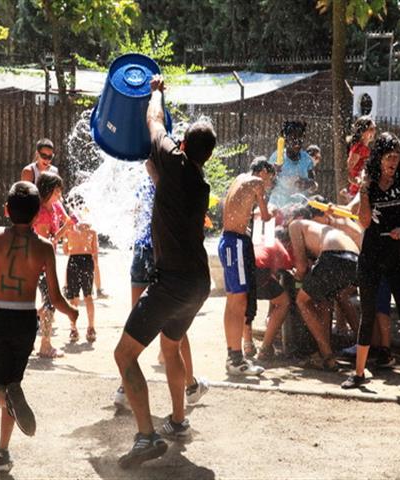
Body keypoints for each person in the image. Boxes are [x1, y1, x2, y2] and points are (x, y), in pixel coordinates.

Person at [113, 74, 216, 469]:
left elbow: (154, 120)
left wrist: (156, 91)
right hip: (197, 283)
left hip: (172, 282)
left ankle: (145, 437)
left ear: (185, 144)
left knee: (124, 355)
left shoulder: (174, 158)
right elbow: (167, 192)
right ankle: (178, 420)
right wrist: (155, 176)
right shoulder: (198, 181)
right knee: (170, 346)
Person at [0, 181, 78, 475]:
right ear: (38, 212)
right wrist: (72, 313)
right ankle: (2, 451)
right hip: (26, 322)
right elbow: (54, 297)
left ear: (6, 210)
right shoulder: (43, 248)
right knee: (13, 384)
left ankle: (9, 406)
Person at [341, 132, 400, 397]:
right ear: (379, 158)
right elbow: (365, 222)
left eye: (396, 157)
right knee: (367, 314)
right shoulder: (368, 186)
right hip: (370, 255)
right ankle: (358, 374)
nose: (393, 161)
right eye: (388, 156)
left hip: (394, 257)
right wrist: (364, 193)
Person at [113, 171, 209, 411]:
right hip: (164, 254)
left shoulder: (147, 181)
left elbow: (137, 215)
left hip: (142, 250)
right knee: (176, 325)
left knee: (136, 321)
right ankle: (190, 386)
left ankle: (125, 388)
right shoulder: (179, 182)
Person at [219, 158, 276, 376]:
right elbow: (266, 215)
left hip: (228, 241)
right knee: (239, 301)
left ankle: (233, 356)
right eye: (269, 178)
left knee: (233, 300)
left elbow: (240, 211)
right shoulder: (256, 183)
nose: (268, 184)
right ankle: (235, 359)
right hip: (237, 242)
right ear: (263, 172)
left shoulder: (239, 179)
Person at [288, 207, 362, 371]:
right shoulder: (321, 229)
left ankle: (327, 357)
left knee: (301, 301)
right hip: (354, 260)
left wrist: (297, 278)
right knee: (324, 301)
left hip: (333, 257)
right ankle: (325, 352)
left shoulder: (295, 224)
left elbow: (300, 267)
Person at [33, 171, 71, 358]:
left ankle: (31, 321)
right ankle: (45, 345)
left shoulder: (55, 207)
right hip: (39, 264)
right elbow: (42, 241)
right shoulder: (40, 213)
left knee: (49, 301)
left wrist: (69, 226)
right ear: (47, 190)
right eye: (57, 191)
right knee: (51, 302)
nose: (60, 195)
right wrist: (58, 236)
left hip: (48, 263)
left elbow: (67, 223)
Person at [253, 227, 292, 363]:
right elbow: (288, 264)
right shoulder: (276, 241)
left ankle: (247, 345)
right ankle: (265, 349)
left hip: (243, 267)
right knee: (284, 302)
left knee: (244, 305)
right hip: (259, 271)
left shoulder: (258, 239)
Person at [62, 221, 98, 343]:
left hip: (73, 262)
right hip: (87, 262)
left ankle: (73, 329)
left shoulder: (68, 231)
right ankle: (91, 328)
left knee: (74, 298)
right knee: (88, 296)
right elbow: (94, 251)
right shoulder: (92, 232)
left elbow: (66, 251)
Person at [268, 121, 317, 207]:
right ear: (286, 140)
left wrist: (307, 184)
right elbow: (267, 186)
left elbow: (314, 186)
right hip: (277, 206)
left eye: (300, 138)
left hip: (298, 208)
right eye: (293, 138)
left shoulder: (307, 160)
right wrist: (273, 174)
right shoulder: (276, 158)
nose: (297, 142)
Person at [346, 116, 377, 198]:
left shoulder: (366, 149)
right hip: (357, 193)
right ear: (362, 131)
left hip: (364, 192)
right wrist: (358, 182)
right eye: (371, 129)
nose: (374, 132)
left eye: (374, 128)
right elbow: (347, 172)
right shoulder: (358, 148)